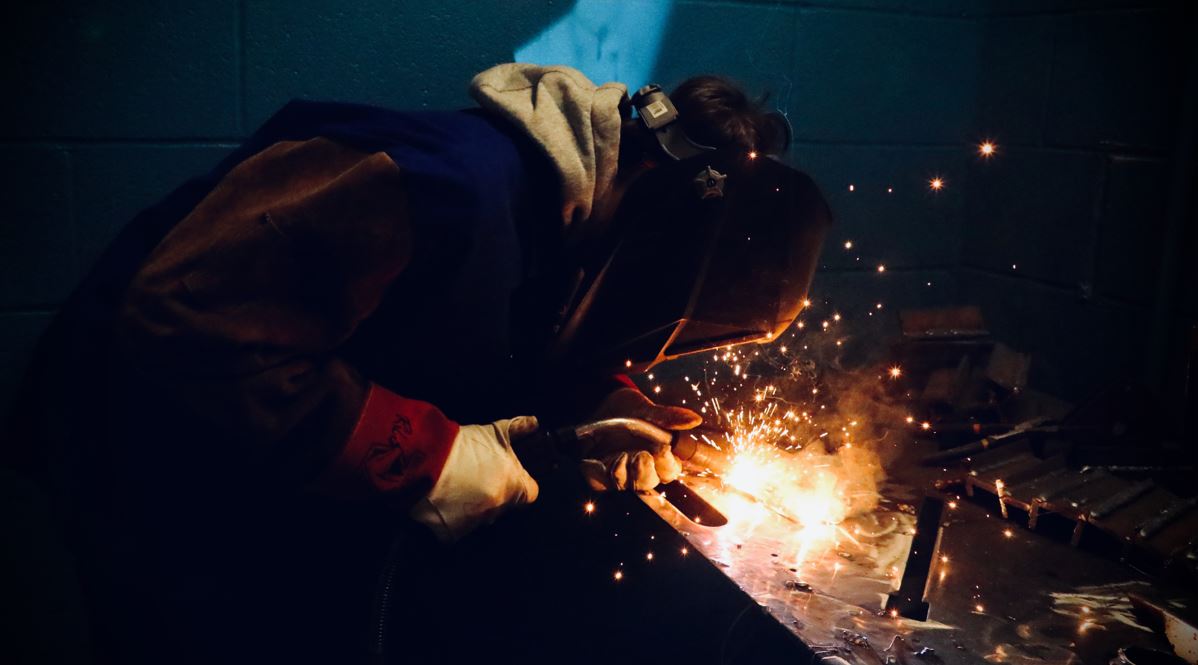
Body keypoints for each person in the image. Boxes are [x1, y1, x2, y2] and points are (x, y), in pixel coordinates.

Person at [5, 63, 829, 663]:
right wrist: (426, 455)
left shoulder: (578, 218)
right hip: (149, 456)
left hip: (265, 456)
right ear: (652, 193)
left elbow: (518, 327)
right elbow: (189, 326)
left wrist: (604, 404)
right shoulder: (442, 187)